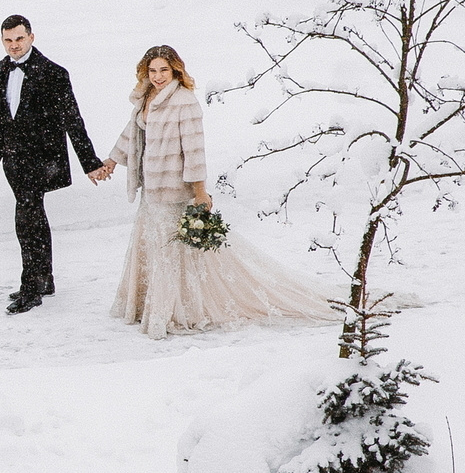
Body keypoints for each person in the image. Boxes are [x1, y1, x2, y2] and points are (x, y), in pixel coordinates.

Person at [95, 45, 329, 339]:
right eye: (152, 71)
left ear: (176, 70)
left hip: (173, 191)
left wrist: (200, 192)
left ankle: (173, 312)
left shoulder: (184, 102)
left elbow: (194, 152)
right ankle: (150, 306)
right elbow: (133, 133)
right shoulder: (146, 96)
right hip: (150, 191)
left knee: (171, 254)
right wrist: (112, 161)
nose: (158, 77)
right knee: (154, 250)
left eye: (164, 70)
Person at [0, 14, 106, 315]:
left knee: (27, 221)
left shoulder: (54, 74)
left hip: (39, 160)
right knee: (34, 217)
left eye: (19, 39)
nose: (14, 45)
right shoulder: (3, 67)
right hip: (13, 158)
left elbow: (73, 120)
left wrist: (90, 162)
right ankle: (44, 279)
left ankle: (31, 288)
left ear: (31, 37)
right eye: (8, 40)